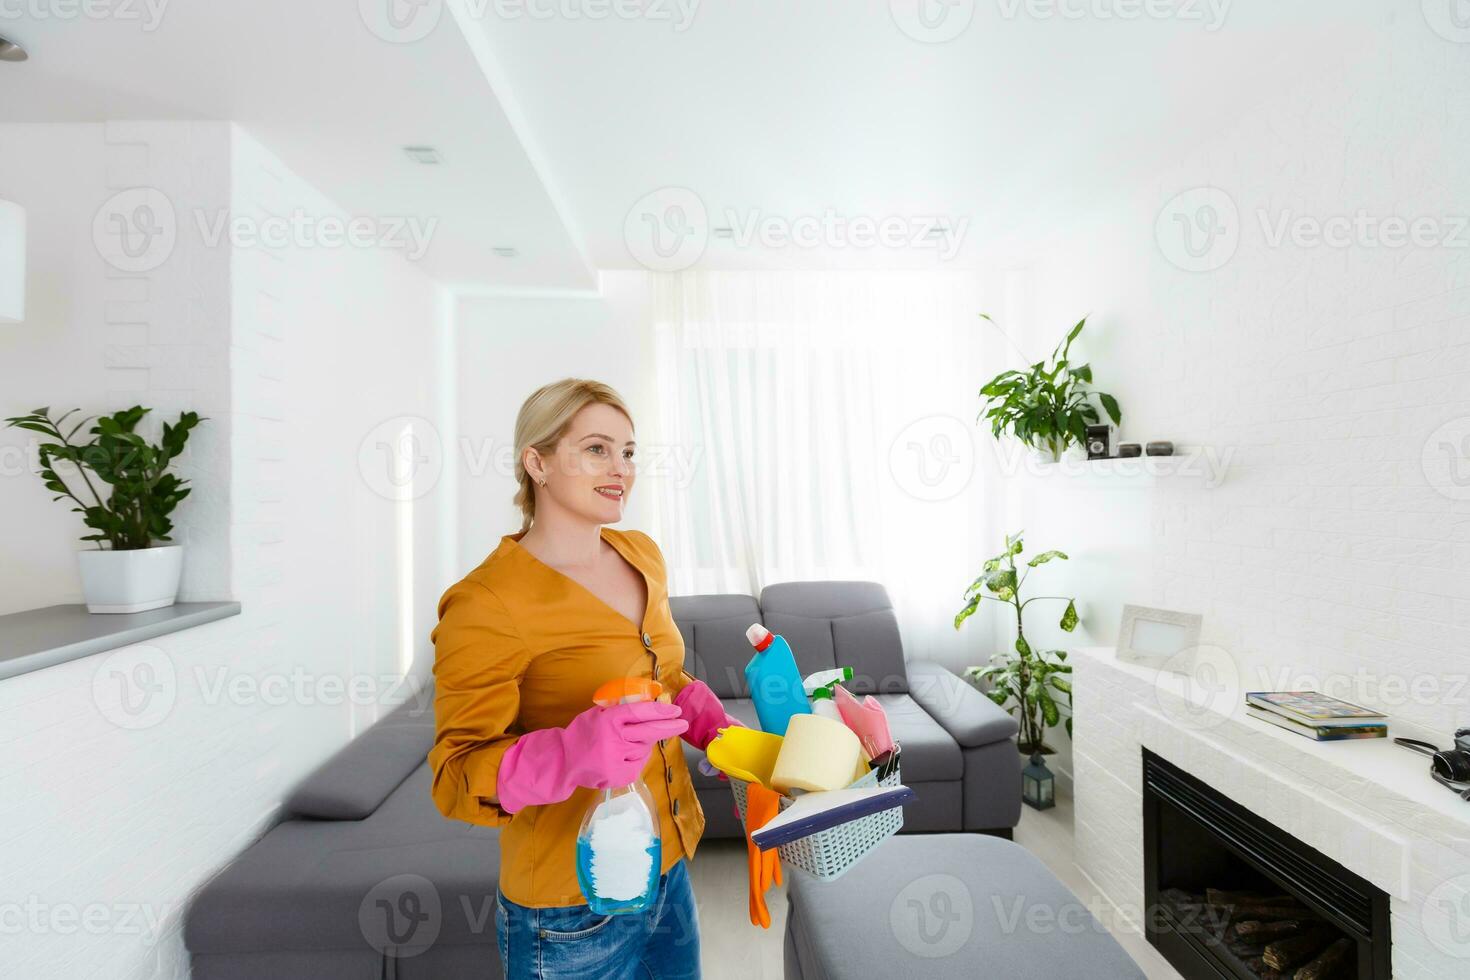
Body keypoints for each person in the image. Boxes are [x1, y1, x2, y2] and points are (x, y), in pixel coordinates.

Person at [429, 378, 740, 979]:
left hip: (665, 866)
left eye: (628, 452)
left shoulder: (640, 553)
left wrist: (720, 733)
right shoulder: (487, 602)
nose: (620, 468)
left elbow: (664, 675)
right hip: (568, 911)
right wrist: (573, 752)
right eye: (597, 448)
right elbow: (455, 775)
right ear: (536, 462)